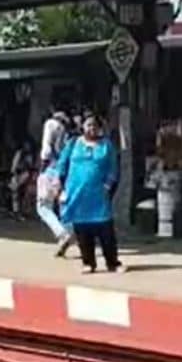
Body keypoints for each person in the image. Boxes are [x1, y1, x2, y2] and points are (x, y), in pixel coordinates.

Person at [56, 113, 121, 273]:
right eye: (88, 125)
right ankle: (88, 263)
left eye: (94, 125)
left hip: (98, 195)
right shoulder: (73, 143)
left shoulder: (106, 145)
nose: (91, 128)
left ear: (99, 128)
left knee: (106, 230)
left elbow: (113, 168)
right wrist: (59, 186)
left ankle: (112, 263)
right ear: (83, 127)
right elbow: (62, 165)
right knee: (82, 230)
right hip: (77, 195)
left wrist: (108, 185)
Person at [9, 138, 36, 221]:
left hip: (25, 176)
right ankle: (16, 212)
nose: (28, 146)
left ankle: (22, 212)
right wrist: (15, 174)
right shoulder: (20, 153)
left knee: (23, 195)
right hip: (18, 175)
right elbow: (14, 165)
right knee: (16, 195)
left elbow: (30, 165)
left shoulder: (30, 155)